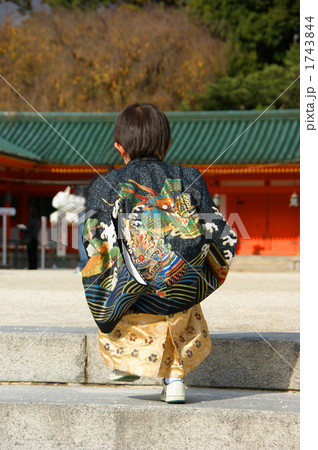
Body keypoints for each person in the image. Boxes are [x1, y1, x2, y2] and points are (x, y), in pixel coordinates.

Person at [82, 103, 237, 403]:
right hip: (180, 291)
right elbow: (220, 236)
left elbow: (96, 244)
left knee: (111, 277)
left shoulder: (107, 184)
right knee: (182, 288)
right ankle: (175, 376)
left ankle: (126, 359)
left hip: (132, 294)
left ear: (119, 147)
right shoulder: (189, 176)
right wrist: (200, 276)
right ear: (167, 143)